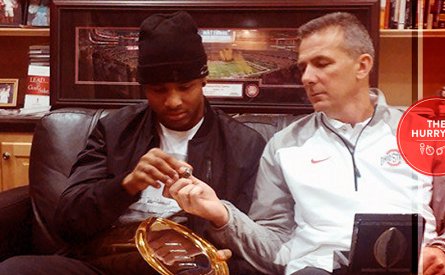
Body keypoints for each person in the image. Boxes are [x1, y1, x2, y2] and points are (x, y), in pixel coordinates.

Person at [164, 12, 445, 275]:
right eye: (303, 66)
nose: (306, 77)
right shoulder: (283, 146)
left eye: (321, 63)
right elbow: (275, 246)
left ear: (362, 65)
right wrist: (221, 213)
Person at [0, 11, 265, 275]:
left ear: (204, 80)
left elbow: (255, 236)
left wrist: (223, 254)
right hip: (104, 262)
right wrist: (127, 184)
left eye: (185, 87)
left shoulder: (243, 145)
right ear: (143, 86)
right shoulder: (114, 129)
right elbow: (69, 220)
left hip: (185, 268)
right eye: (159, 90)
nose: (173, 101)